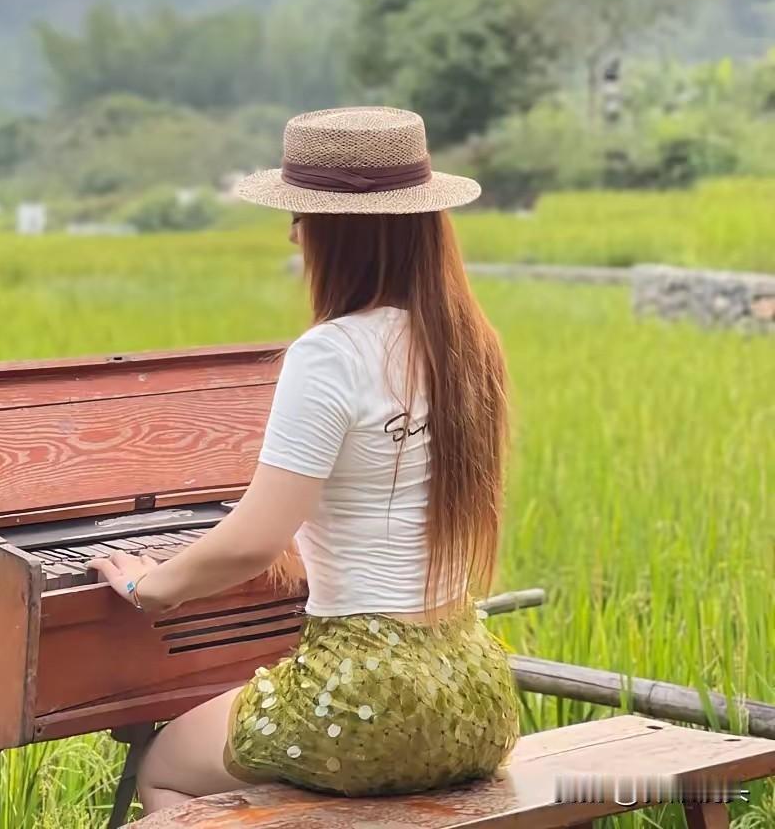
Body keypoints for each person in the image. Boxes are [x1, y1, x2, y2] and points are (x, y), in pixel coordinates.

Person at [87, 106, 522, 810]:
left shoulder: (331, 353)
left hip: (367, 693)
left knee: (162, 768)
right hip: (476, 691)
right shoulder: (467, 344)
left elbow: (253, 543)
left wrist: (152, 587)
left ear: (337, 230)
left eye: (301, 214)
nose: (293, 232)